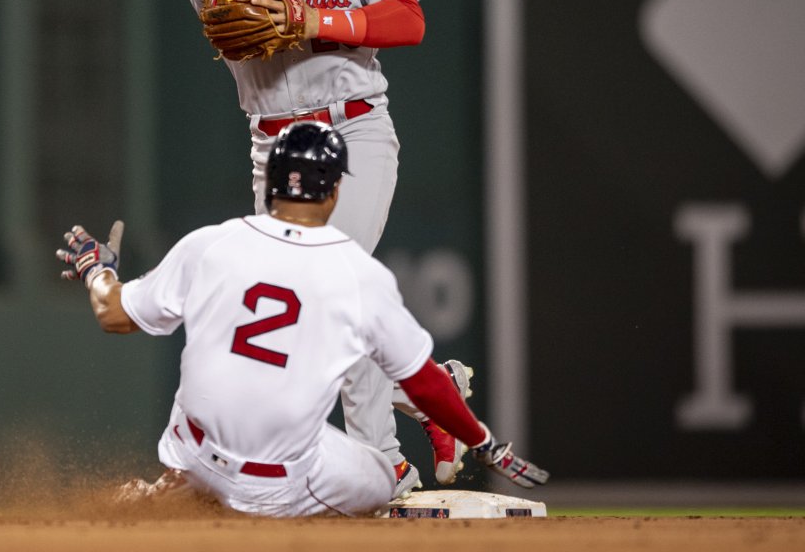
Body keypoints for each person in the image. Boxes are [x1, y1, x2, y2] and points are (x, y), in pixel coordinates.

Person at [0, 0, 458, 493]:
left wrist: (312, 17)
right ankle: (419, 394)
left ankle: (386, 466)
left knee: (334, 282)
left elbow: (408, 19)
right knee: (300, 300)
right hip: (271, 145)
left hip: (354, 127)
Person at [56, 122, 547, 517]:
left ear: (269, 184)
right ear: (334, 191)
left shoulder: (211, 242)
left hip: (193, 453)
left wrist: (96, 268)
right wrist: (484, 443)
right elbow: (423, 383)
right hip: (279, 485)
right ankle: (231, 500)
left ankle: (183, 487)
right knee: (383, 474)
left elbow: (113, 313)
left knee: (225, 370)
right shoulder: (358, 274)